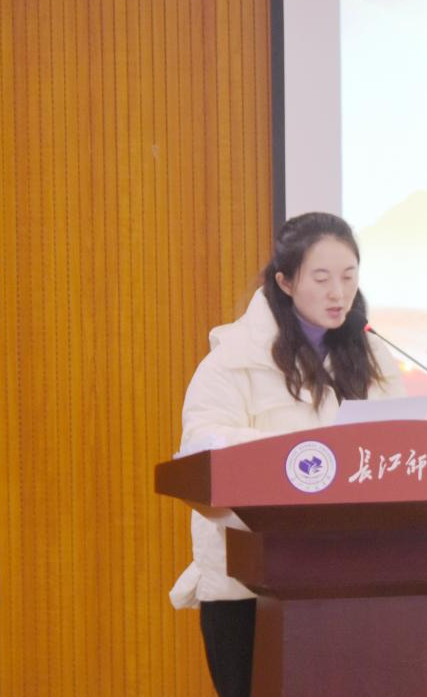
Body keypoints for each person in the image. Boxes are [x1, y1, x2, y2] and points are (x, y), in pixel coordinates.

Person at [168, 212, 405, 697]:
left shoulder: (372, 357)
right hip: (250, 589)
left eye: (349, 277)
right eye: (321, 278)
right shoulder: (233, 359)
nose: (338, 293)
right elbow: (200, 449)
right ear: (286, 281)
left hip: (352, 579)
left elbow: (397, 448)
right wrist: (299, 456)